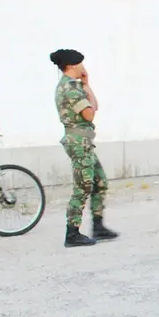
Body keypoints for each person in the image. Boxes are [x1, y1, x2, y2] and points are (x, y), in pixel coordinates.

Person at [50, 48, 119, 247]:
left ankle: (98, 226)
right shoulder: (69, 88)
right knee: (82, 187)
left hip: (85, 142)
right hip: (78, 143)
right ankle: (72, 233)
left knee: (99, 181)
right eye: (81, 63)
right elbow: (89, 114)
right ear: (72, 65)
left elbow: (94, 106)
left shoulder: (77, 86)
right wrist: (85, 93)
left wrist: (87, 85)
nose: (83, 67)